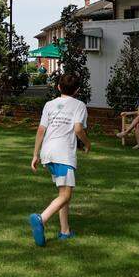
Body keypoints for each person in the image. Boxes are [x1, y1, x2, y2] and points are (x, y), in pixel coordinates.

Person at [29, 73, 90, 247]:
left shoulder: (49, 104)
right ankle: (41, 218)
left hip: (47, 154)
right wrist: (88, 144)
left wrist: (35, 154)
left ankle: (65, 231)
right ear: (77, 90)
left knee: (63, 194)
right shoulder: (79, 105)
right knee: (66, 194)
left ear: (58, 87)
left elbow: (41, 130)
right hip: (63, 155)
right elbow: (78, 129)